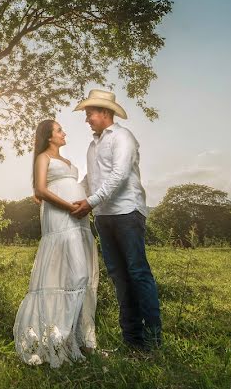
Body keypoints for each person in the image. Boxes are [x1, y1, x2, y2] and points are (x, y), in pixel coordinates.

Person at [71, 89, 162, 352]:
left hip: (127, 213)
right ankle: (131, 342)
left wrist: (90, 202)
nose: (87, 119)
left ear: (105, 113)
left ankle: (153, 343)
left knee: (138, 273)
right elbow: (90, 180)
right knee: (119, 277)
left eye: (90, 114)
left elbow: (120, 175)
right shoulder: (93, 145)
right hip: (104, 217)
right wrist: (69, 196)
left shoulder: (123, 137)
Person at [13, 119, 98, 367]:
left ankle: (77, 336)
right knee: (70, 273)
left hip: (79, 220)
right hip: (61, 218)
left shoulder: (68, 163)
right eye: (60, 129)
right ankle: (58, 334)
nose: (64, 132)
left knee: (81, 274)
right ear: (49, 136)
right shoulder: (42, 158)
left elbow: (76, 185)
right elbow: (40, 190)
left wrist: (85, 202)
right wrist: (70, 206)